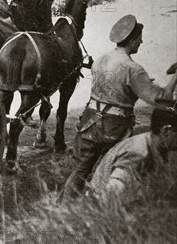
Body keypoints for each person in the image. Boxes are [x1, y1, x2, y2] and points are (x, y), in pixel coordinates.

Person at [63, 15, 177, 197]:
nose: (141, 41)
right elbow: (161, 100)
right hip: (114, 125)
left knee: (79, 170)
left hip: (89, 120)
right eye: (139, 38)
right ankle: (102, 208)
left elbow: (109, 87)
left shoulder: (100, 59)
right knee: (113, 169)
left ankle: (62, 208)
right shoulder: (133, 68)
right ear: (131, 40)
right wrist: (174, 78)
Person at [88, 105, 177, 206]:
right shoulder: (138, 154)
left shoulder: (154, 143)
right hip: (101, 208)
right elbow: (111, 197)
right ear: (165, 130)